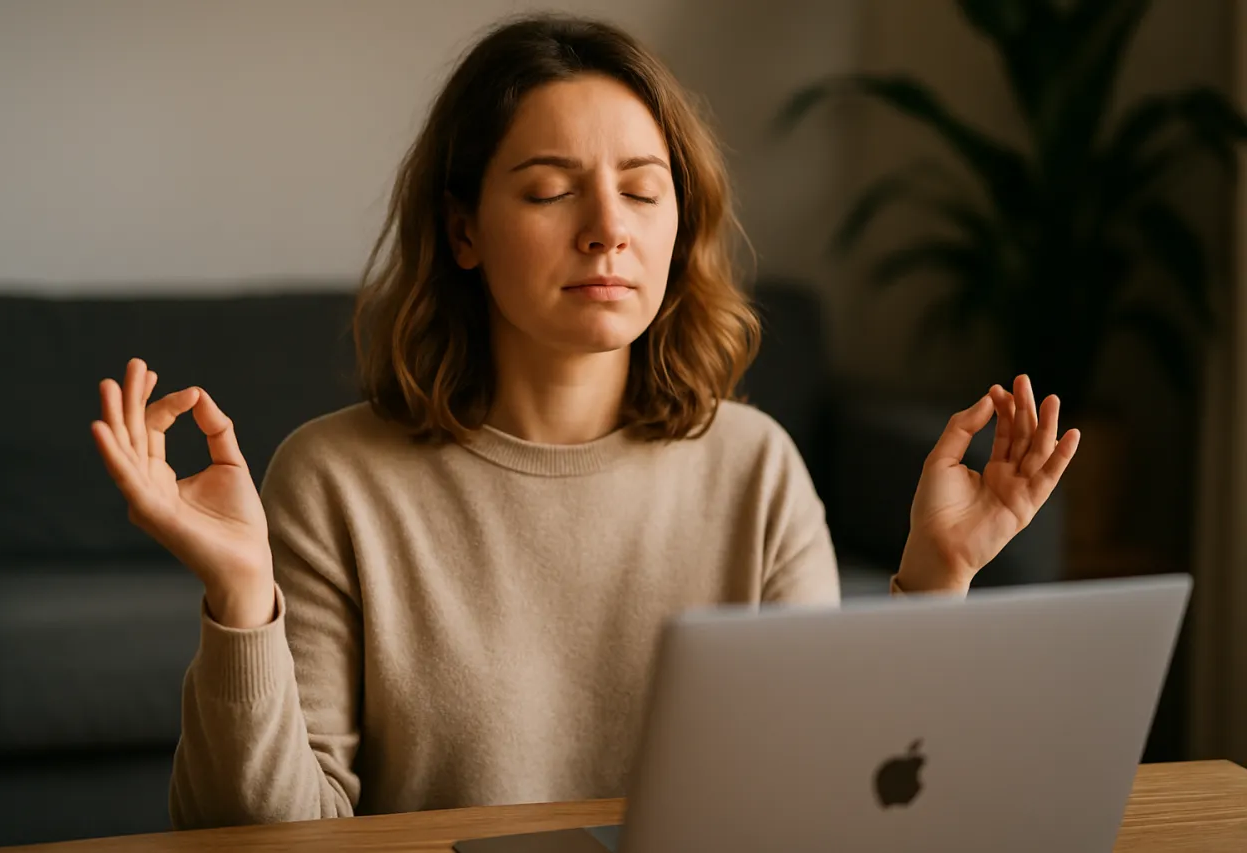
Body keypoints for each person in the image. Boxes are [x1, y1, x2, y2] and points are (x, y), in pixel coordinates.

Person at [90, 13, 1079, 831]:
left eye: (643, 190)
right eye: (551, 189)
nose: (607, 225)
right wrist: (240, 595)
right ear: (463, 229)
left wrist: (937, 578)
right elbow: (269, 840)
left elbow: (831, 808)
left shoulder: (754, 467)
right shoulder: (332, 477)